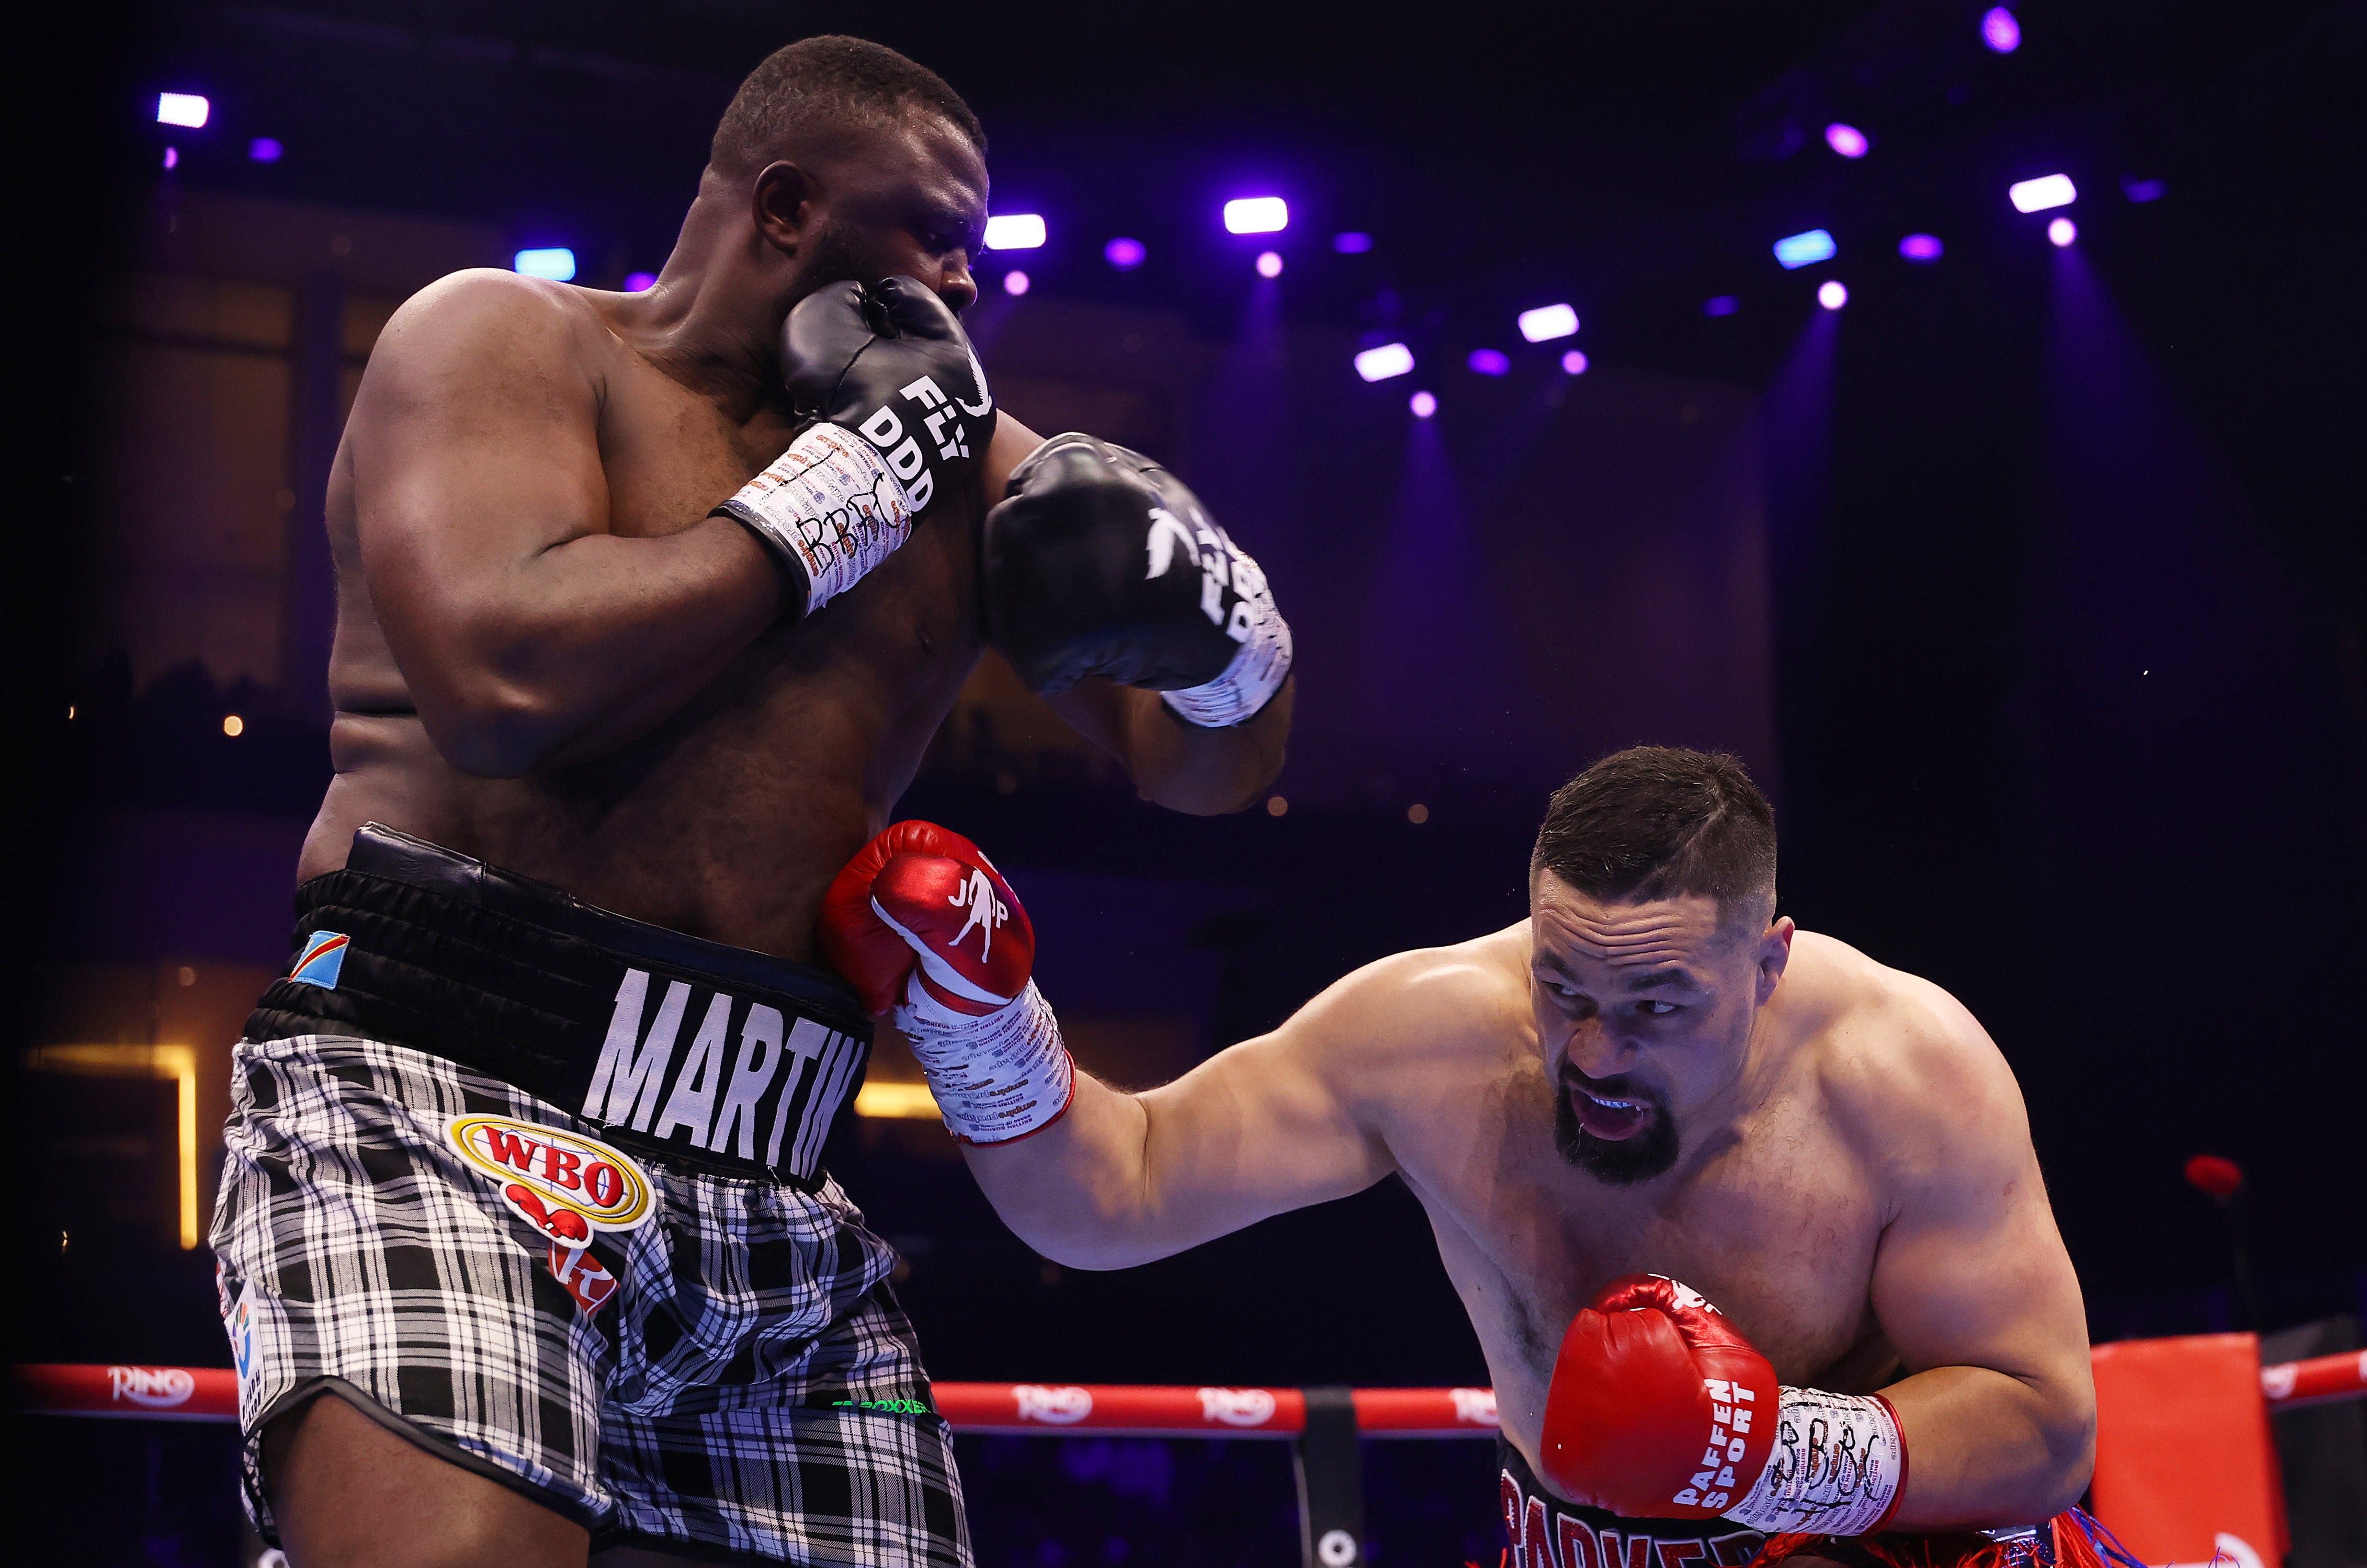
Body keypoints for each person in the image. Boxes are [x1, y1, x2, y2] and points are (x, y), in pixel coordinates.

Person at [210, 34, 1294, 1568]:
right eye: (934, 233)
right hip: (438, 1080)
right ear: (784, 209)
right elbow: (499, 682)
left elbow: (1205, 769)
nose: (966, 283)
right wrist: (830, 500)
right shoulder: (509, 343)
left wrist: (1228, 635)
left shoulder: (970, 472)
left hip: (766, 1153)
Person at [821, 746, 2098, 1568]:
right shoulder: (1426, 1039)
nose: (1592, 1051)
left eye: (1656, 1005)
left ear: (1765, 963)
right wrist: (979, 1022)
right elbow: (1116, 1194)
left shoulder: (1902, 1072)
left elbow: (2044, 1425)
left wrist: (1771, 1453)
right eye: (1561, 987)